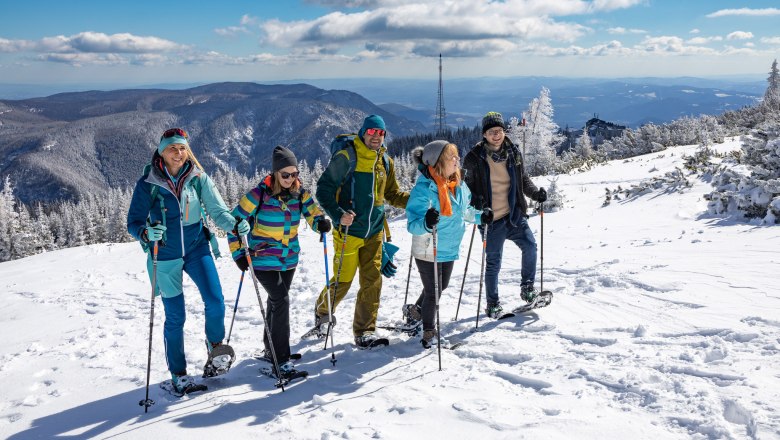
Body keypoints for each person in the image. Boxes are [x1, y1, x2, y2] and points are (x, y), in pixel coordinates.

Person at [127, 128, 250, 393]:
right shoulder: (148, 183)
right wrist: (146, 233)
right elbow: (133, 222)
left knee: (215, 301)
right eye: (173, 148)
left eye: (182, 148)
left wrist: (235, 225)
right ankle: (178, 373)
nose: (179, 153)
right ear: (162, 151)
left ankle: (216, 349)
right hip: (166, 255)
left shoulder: (198, 178)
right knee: (176, 316)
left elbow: (218, 212)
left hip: (197, 248)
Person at [227, 145, 330, 380]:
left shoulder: (300, 193)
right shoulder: (258, 195)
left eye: (295, 174)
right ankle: (280, 361)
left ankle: (270, 348)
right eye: (285, 174)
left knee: (275, 302)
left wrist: (320, 224)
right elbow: (232, 222)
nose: (290, 179)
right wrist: (238, 254)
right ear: (275, 173)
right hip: (262, 258)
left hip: (289, 258)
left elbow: (313, 215)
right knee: (281, 300)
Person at [313, 114, 410, 348]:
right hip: (348, 233)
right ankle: (322, 313)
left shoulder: (385, 162)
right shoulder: (347, 157)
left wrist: (419, 200)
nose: (376, 136)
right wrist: (338, 215)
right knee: (343, 281)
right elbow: (323, 190)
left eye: (380, 133)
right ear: (363, 132)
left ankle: (365, 331)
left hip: (374, 231)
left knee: (372, 281)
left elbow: (393, 194)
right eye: (371, 132)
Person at [405, 140, 492, 348]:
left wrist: (481, 217)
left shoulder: (459, 186)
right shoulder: (424, 189)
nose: (457, 160)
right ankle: (428, 332)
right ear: (438, 162)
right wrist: (426, 223)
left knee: (440, 286)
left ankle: (416, 311)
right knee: (434, 290)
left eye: (457, 156)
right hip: (428, 247)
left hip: (449, 247)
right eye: (451, 157)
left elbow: (465, 212)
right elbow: (412, 224)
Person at [462, 112, 547, 318]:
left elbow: (523, 178)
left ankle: (527, 289)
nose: (496, 135)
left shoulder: (513, 152)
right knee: (493, 262)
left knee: (530, 247)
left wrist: (535, 193)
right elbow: (465, 189)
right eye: (492, 132)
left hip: (514, 214)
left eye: (499, 131)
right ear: (484, 134)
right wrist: (479, 205)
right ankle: (492, 304)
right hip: (491, 220)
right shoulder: (474, 158)